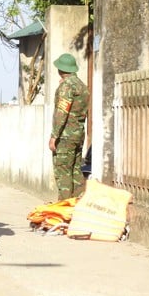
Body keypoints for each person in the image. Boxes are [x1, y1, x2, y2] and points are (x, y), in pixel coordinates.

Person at [49, 53, 89, 200]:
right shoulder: (82, 86)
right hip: (78, 134)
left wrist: (54, 136)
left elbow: (62, 113)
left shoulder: (67, 86)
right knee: (76, 170)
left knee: (63, 172)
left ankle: (64, 207)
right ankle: (78, 205)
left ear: (60, 69)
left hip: (65, 136)